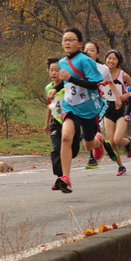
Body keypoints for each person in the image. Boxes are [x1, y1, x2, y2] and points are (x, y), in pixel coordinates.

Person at [47, 27, 104, 193]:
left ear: (79, 43)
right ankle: (65, 176)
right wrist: (56, 90)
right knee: (66, 137)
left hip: (89, 109)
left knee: (88, 144)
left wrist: (70, 78)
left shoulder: (86, 61)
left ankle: (98, 142)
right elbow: (65, 82)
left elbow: (95, 84)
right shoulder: (62, 62)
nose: (67, 42)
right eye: (65, 39)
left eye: (71, 39)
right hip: (70, 107)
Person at [44, 58, 82, 190]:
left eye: (57, 70)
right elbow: (50, 106)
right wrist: (47, 123)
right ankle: (61, 178)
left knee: (74, 151)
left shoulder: (69, 85)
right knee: (57, 148)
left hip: (71, 121)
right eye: (51, 70)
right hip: (56, 122)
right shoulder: (48, 88)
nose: (54, 73)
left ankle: (62, 177)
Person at [82, 42, 121, 169]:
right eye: (86, 50)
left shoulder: (102, 69)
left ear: (97, 54)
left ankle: (92, 159)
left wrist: (117, 98)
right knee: (92, 130)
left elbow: (111, 83)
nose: (88, 52)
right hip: (83, 103)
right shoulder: (79, 67)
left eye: (92, 50)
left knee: (93, 128)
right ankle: (108, 148)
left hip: (99, 103)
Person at [102, 49, 131, 175]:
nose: (111, 61)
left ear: (118, 61)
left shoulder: (123, 75)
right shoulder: (101, 74)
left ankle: (128, 142)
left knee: (117, 139)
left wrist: (126, 95)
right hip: (107, 108)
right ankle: (121, 166)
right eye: (109, 58)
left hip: (121, 109)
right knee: (111, 141)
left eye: (114, 59)